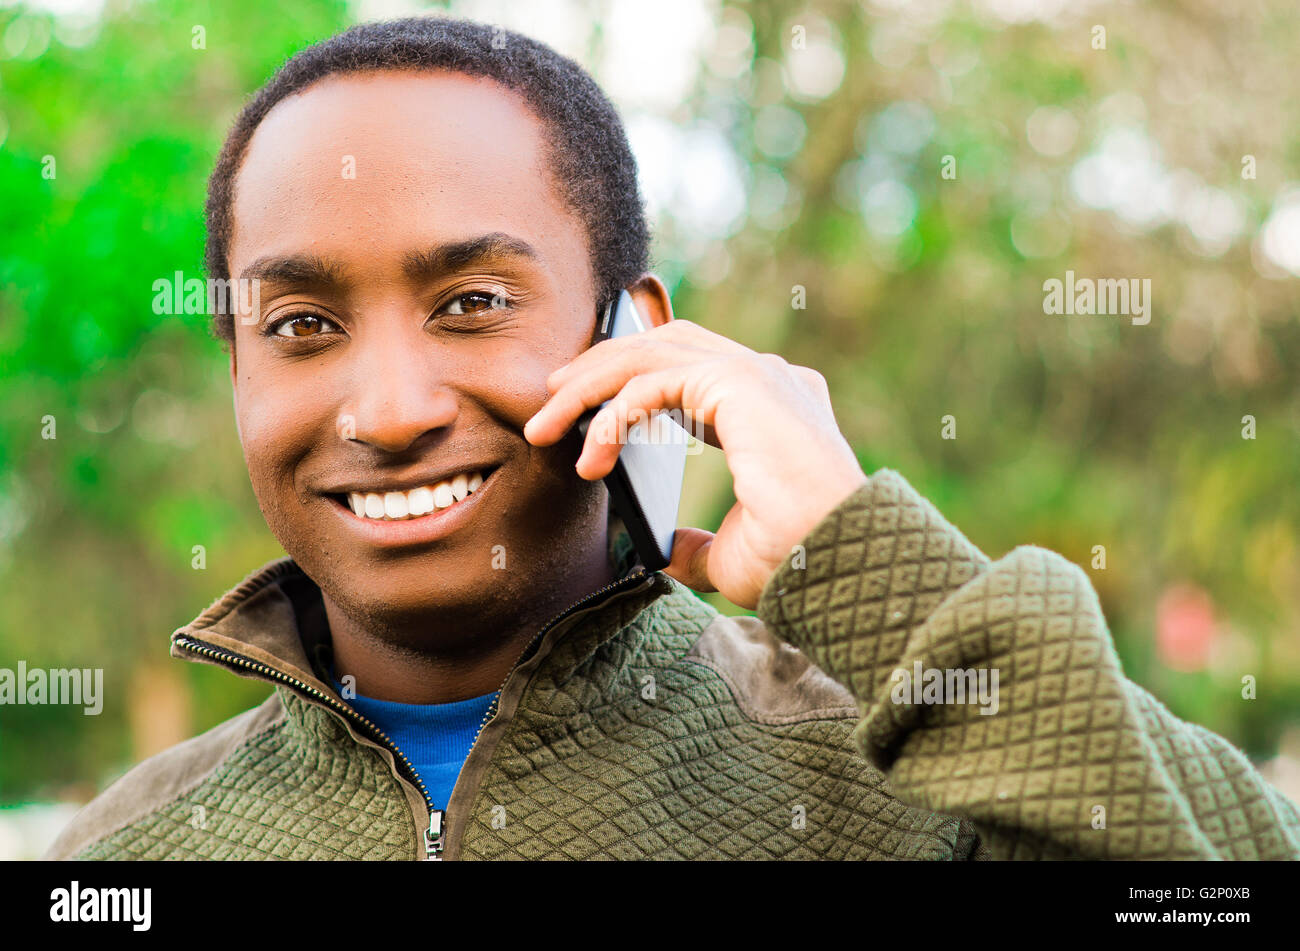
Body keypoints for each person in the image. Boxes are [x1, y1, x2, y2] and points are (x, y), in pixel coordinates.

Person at [46, 16, 1300, 860]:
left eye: (473, 303)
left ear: (634, 339)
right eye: (303, 324)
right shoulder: (125, 853)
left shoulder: (903, 783)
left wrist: (873, 574)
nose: (384, 411)